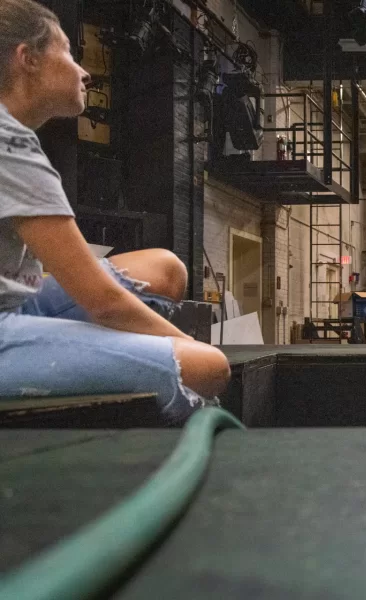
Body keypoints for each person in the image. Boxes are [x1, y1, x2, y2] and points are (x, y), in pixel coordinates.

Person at [0, 0, 230, 423]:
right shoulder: (8, 144)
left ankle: (111, 358)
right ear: (27, 59)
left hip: (16, 304)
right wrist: (191, 346)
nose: (83, 70)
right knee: (206, 368)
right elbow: (103, 303)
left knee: (165, 268)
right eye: (68, 51)